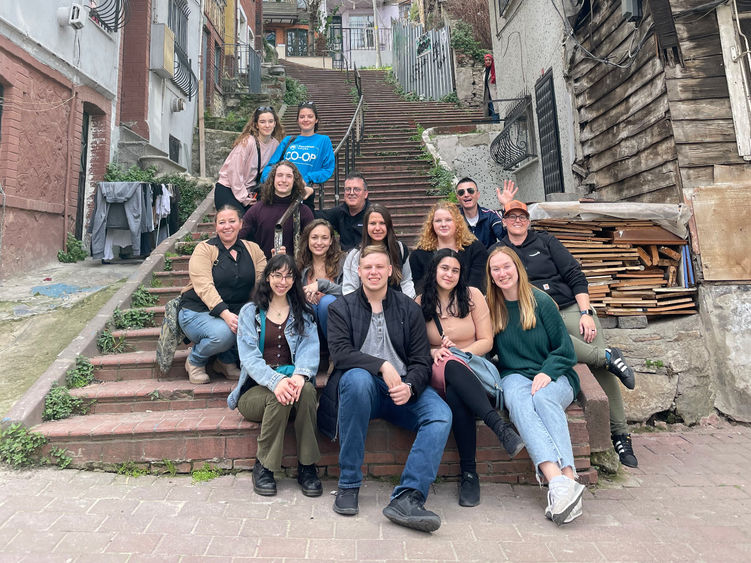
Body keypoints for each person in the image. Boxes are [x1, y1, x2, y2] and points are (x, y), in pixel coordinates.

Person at [319, 245, 452, 532]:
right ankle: (349, 483)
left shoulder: (408, 308)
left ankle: (408, 497)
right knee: (355, 379)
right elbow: (340, 354)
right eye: (368, 267)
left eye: (380, 267)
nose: (374, 272)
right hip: (364, 392)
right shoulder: (341, 307)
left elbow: (420, 361)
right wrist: (382, 365)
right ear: (358, 271)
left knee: (441, 415)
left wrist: (411, 387)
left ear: (391, 271)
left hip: (402, 389)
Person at [499, 200, 638, 468]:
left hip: (570, 308)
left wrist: (586, 313)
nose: (517, 220)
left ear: (529, 220)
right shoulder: (500, 253)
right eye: (511, 216)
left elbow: (575, 274)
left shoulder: (546, 241)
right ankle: (608, 356)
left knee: (601, 369)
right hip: (537, 314)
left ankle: (620, 433)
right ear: (503, 221)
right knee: (590, 355)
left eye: (522, 216)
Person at [417, 249, 524, 507]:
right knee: (451, 367)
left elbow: (487, 341)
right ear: (434, 270)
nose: (450, 274)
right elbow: (415, 347)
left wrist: (460, 353)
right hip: (439, 369)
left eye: (455, 270)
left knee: (457, 391)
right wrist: (436, 351)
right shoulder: (420, 302)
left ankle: (468, 473)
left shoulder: (473, 296)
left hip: (473, 369)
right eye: (445, 268)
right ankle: (497, 427)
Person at [487, 246, 585, 525]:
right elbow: (485, 346)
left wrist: (548, 372)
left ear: (518, 267)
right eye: (496, 269)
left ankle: (568, 478)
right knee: (518, 400)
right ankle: (558, 482)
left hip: (556, 374)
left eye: (507, 266)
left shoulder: (541, 302)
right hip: (514, 374)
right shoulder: (492, 308)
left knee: (542, 398)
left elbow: (566, 350)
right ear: (491, 276)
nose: (502, 273)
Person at [228, 254, 322, 497]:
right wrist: (275, 381)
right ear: (268, 277)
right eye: (277, 275)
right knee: (278, 396)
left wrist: (301, 376)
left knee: (309, 390)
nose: (283, 281)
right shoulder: (251, 312)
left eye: (289, 276)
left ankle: (307, 467)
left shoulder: (303, 311)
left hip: (293, 381)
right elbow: (249, 358)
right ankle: (264, 466)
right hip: (255, 391)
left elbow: (310, 348)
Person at [179, 205, 267, 384]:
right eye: (222, 222)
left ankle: (225, 361)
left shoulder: (253, 249)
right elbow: (204, 286)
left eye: (232, 221)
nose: (227, 226)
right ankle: (195, 361)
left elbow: (262, 280)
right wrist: (225, 314)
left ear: (241, 224)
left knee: (261, 324)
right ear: (216, 226)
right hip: (198, 311)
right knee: (225, 333)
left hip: (237, 310)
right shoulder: (204, 249)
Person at [261, 101, 335, 210]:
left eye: (310, 116)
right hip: (280, 191)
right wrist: (270, 179)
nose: (306, 120)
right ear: (297, 120)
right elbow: (271, 165)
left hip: (303, 191)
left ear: (316, 120)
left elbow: (328, 169)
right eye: (302, 117)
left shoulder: (323, 140)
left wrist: (308, 177)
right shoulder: (288, 140)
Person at [214, 106, 284, 212]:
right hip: (228, 188)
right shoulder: (247, 142)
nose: (267, 125)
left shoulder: (275, 144)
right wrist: (243, 198)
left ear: (275, 123)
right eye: (262, 122)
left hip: (249, 192)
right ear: (256, 125)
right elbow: (234, 172)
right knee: (239, 223)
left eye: (270, 121)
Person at [239, 160, 314, 259]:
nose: (283, 180)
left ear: (295, 181)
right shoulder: (257, 210)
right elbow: (238, 235)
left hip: (293, 271)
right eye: (279, 175)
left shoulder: (304, 212)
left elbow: (312, 243)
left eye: (289, 176)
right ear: (273, 179)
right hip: (263, 269)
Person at [410, 201, 488, 295]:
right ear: (431, 225)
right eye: (438, 221)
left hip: (469, 303)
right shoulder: (419, 254)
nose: (443, 224)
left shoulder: (475, 249)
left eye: (448, 220)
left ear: (457, 222)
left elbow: (476, 285)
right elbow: (420, 289)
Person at [341, 204, 415, 298]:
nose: (377, 228)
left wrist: (408, 304)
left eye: (382, 223)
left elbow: (406, 281)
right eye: (372, 223)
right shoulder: (355, 255)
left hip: (397, 308)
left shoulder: (400, 249)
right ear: (366, 226)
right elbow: (349, 288)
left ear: (388, 225)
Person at [296, 218, 346, 340]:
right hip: (310, 330)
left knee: (326, 302)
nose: (319, 242)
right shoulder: (300, 264)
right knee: (307, 305)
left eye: (324, 238)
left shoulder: (343, 261)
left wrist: (322, 285)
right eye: (314, 237)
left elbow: (350, 292)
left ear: (331, 241)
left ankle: (335, 352)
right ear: (307, 240)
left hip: (339, 326)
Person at [456, 177, 518, 248]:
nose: (466, 195)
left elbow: (504, 236)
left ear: (478, 195)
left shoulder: (490, 215)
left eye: (470, 191)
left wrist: (507, 206)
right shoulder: (453, 219)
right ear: (458, 197)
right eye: (461, 192)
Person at [315, 172, 371, 251]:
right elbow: (313, 216)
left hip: (370, 258)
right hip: (346, 260)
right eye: (348, 189)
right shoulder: (340, 212)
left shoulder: (374, 214)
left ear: (365, 194)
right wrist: (309, 197)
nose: (351, 193)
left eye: (356, 189)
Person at [483, 53, 499, 122]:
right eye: (486, 60)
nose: (488, 61)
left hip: (494, 93)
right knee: (490, 110)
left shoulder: (494, 70)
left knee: (495, 110)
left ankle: (496, 124)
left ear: (492, 61)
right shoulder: (484, 71)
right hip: (487, 94)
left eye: (489, 60)